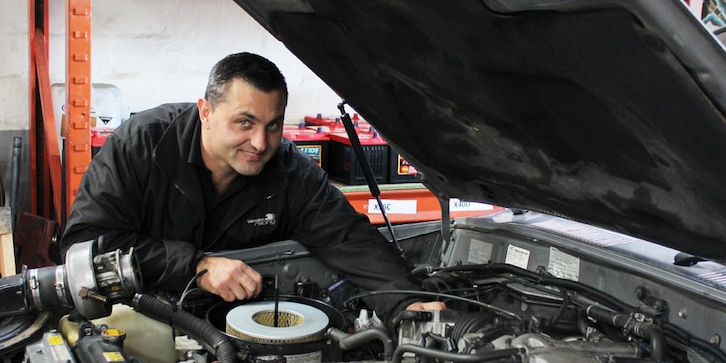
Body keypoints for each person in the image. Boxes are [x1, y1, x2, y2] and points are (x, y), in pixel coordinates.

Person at [61, 52, 444, 321]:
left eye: (273, 124)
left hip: (234, 326)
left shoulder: (288, 169)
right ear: (206, 112)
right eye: (244, 122)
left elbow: (346, 236)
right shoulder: (143, 145)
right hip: (134, 317)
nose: (261, 143)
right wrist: (195, 265)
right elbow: (84, 245)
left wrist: (407, 300)